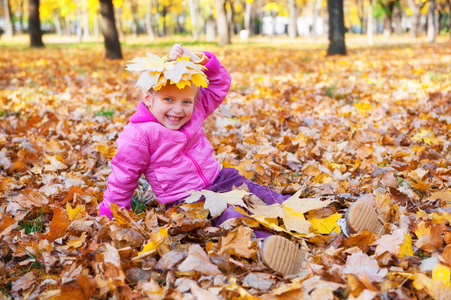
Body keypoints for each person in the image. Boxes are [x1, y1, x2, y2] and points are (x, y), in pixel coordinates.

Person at [98, 44, 382, 275]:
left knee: (268, 197)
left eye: (186, 101)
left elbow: (220, 83)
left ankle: (339, 226)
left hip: (221, 178)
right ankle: (266, 247)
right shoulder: (138, 135)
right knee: (230, 217)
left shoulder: (195, 111)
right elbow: (122, 180)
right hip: (186, 199)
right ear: (148, 99)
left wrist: (200, 59)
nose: (178, 109)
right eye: (168, 100)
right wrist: (110, 218)